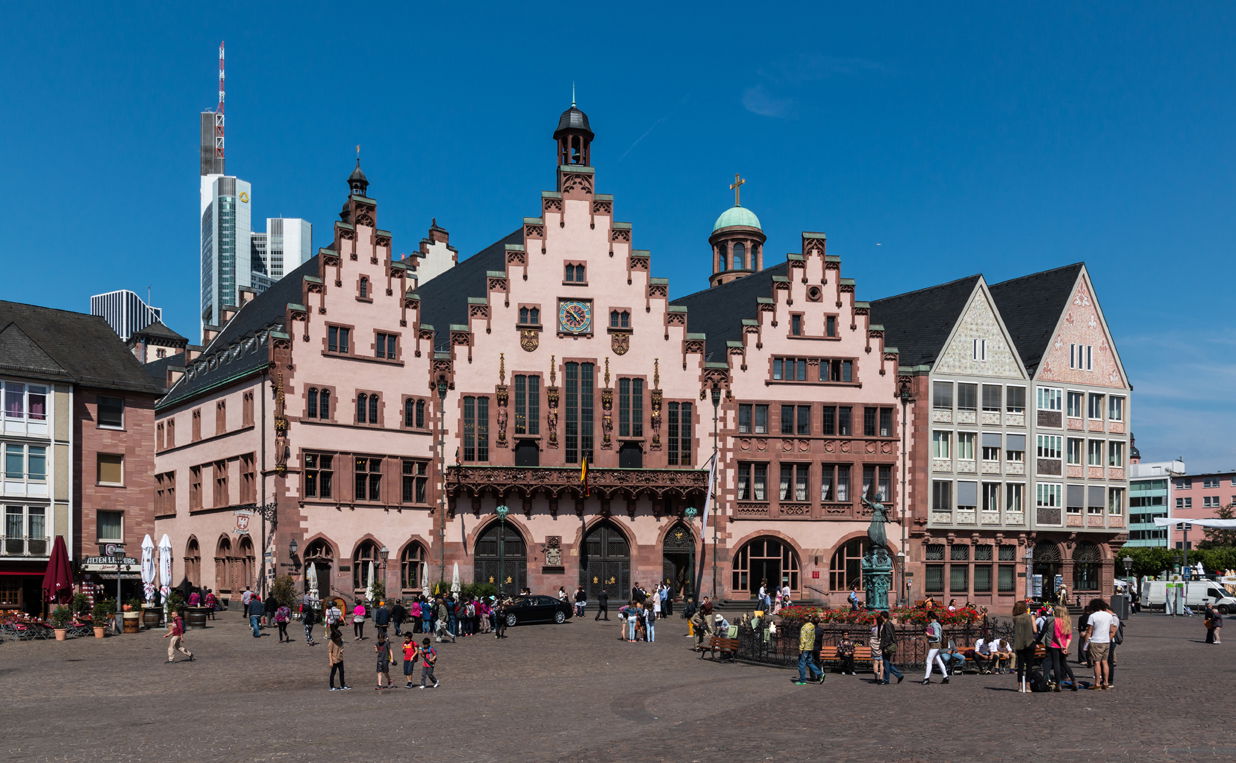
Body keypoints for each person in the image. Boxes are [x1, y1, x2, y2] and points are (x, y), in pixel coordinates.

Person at [1083, 598, 1117, 690]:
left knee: (1096, 662)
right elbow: (1111, 630)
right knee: (1105, 662)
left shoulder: (1093, 616)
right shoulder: (1109, 616)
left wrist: (1085, 644)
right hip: (1106, 641)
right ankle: (1106, 682)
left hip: (1096, 641)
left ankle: (1097, 683)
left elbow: (1089, 631)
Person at [1048, 605, 1077, 691]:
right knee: (1064, 664)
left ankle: (1058, 684)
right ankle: (1074, 681)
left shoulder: (1056, 620)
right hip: (1064, 645)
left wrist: (1061, 646)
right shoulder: (1068, 620)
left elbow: (1057, 635)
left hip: (1055, 645)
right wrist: (1065, 647)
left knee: (1056, 664)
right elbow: (1069, 636)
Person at [1012, 601, 1037, 693]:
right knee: (1029, 665)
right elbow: (1035, 630)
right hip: (1030, 642)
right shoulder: (1031, 617)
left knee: (1020, 666)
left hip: (1019, 643)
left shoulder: (1015, 618)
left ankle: (1019, 685)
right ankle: (1028, 685)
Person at [920, 611, 949, 685]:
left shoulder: (934, 624)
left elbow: (936, 636)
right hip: (936, 644)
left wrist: (928, 634)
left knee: (928, 661)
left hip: (935, 644)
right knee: (939, 660)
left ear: (930, 617)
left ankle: (926, 678)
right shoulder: (936, 624)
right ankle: (945, 677)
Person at [795, 616, 824, 685]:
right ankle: (820, 674)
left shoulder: (804, 627)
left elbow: (803, 639)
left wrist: (801, 648)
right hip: (810, 647)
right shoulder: (812, 626)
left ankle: (802, 680)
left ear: (803, 620)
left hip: (805, 648)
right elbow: (813, 637)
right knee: (809, 662)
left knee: (802, 664)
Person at [878, 611, 904, 684]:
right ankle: (899, 675)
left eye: (881, 616)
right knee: (887, 663)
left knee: (886, 663)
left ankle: (886, 680)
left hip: (887, 646)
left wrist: (885, 646)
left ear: (882, 616)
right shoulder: (888, 623)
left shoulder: (887, 624)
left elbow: (888, 636)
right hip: (888, 645)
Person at [327, 626, 350, 690]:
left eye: (340, 637)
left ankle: (342, 685)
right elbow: (329, 652)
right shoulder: (331, 642)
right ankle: (332, 686)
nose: (339, 638)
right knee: (333, 673)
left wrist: (342, 649)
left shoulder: (340, 640)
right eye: (338, 637)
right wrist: (331, 661)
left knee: (342, 672)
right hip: (334, 660)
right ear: (334, 637)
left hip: (340, 659)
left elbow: (341, 646)